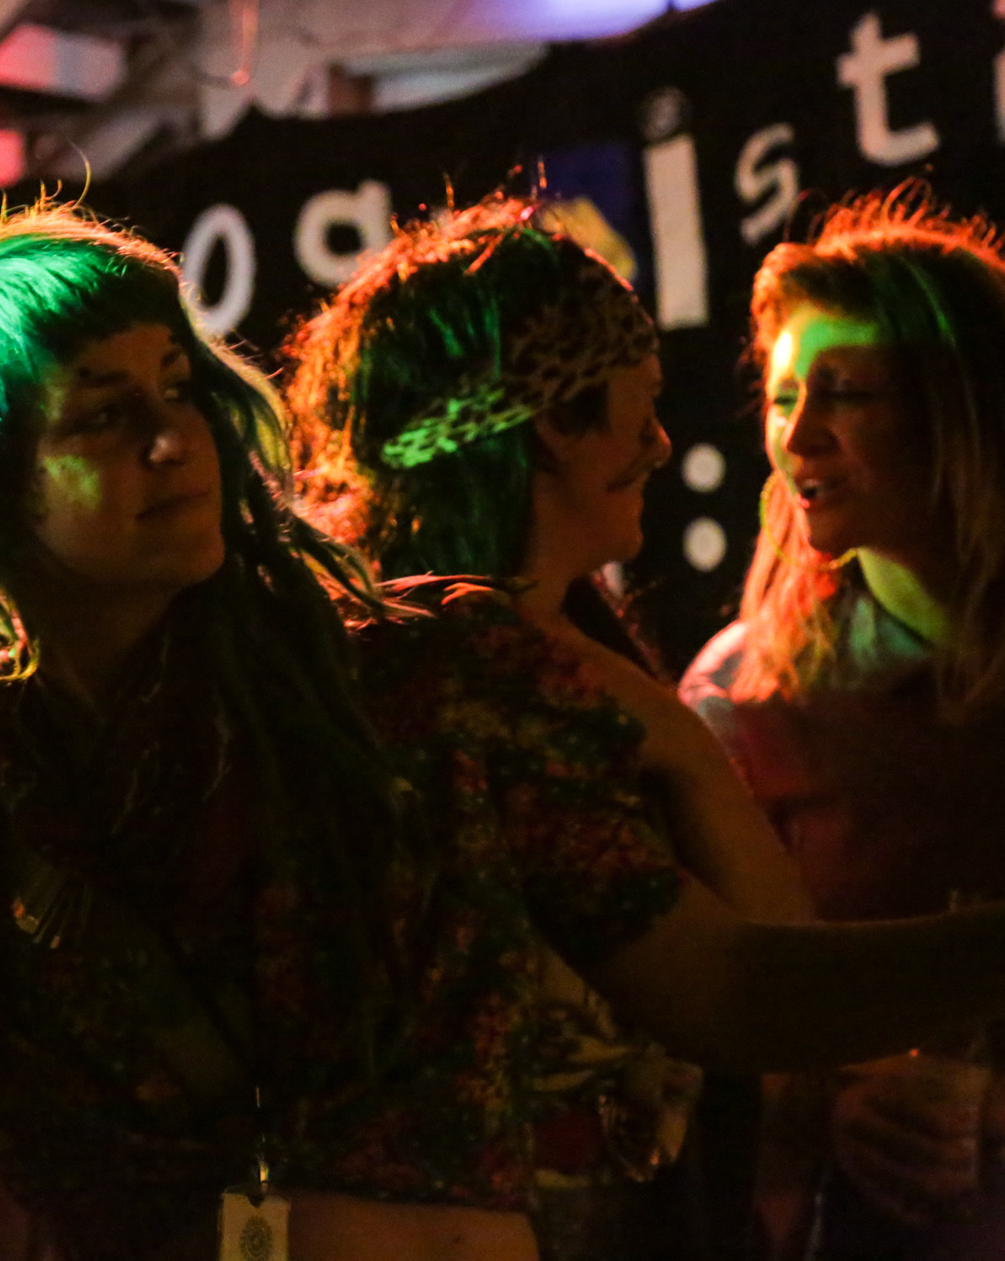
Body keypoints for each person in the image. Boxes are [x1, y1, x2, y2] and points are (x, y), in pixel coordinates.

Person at [0, 204, 1005, 1261]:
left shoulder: (425, 687)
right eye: (101, 416)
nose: (176, 438)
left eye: (178, 387)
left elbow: (734, 987)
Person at [283, 195, 812, 1259]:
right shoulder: (428, 695)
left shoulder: (577, 666)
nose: (660, 445)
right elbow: (777, 983)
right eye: (638, 409)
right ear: (551, 423)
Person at [682, 186, 1005, 1261]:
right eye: (786, 396)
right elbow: (699, 1007)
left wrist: (1002, 1106)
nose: (798, 435)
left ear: (967, 409)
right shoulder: (745, 698)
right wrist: (836, 1097)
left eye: (849, 392)